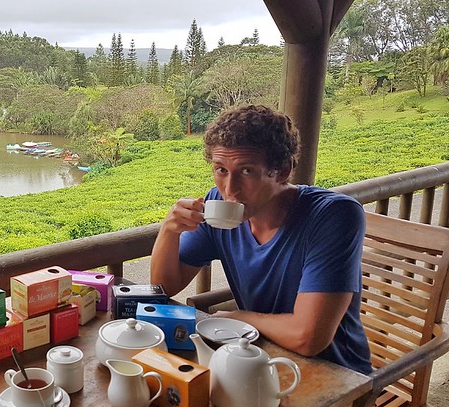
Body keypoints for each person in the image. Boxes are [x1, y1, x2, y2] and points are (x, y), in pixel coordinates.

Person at [150, 104, 372, 374]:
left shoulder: (332, 216)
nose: (230, 190)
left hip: (337, 375)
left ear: (282, 171)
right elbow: (164, 287)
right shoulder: (217, 205)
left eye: (246, 171)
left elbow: (309, 337)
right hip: (257, 359)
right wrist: (169, 230)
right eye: (221, 170)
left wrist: (241, 317)